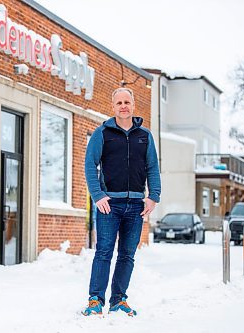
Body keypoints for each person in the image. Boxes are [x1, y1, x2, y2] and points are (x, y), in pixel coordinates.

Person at [82, 87, 161, 316]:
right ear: (113, 106)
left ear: (133, 105)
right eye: (119, 103)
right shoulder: (102, 133)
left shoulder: (144, 136)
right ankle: (95, 300)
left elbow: (152, 167)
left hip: (136, 206)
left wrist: (153, 196)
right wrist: (98, 196)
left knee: (127, 254)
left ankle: (119, 300)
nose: (123, 106)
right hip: (109, 205)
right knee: (103, 252)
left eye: (127, 102)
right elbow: (90, 165)